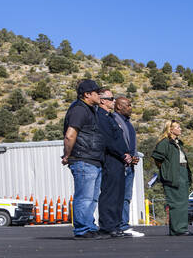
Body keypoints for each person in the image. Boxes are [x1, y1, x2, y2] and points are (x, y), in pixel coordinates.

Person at [61, 79, 107, 239]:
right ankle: (82, 229)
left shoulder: (90, 110)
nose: (100, 95)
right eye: (97, 93)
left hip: (93, 160)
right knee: (85, 197)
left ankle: (89, 227)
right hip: (83, 159)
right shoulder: (79, 110)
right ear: (87, 94)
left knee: (92, 198)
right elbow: (70, 135)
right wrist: (67, 155)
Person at [96, 89, 132, 237]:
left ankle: (116, 225)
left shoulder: (109, 117)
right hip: (110, 159)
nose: (113, 101)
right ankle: (107, 226)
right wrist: (122, 154)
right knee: (110, 193)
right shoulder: (101, 117)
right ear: (102, 100)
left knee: (118, 194)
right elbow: (108, 140)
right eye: (111, 98)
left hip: (118, 160)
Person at [151, 120, 191, 236]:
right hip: (173, 174)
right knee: (175, 202)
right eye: (178, 127)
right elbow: (157, 158)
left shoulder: (177, 143)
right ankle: (177, 229)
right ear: (171, 129)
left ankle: (182, 228)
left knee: (183, 202)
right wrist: (166, 170)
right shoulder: (165, 143)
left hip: (182, 171)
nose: (180, 129)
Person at [110, 96, 144, 237]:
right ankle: (118, 225)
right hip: (119, 164)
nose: (131, 108)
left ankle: (124, 224)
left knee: (126, 196)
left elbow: (130, 143)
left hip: (130, 165)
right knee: (118, 196)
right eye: (128, 105)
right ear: (118, 106)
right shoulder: (113, 120)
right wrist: (124, 156)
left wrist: (134, 155)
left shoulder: (128, 122)